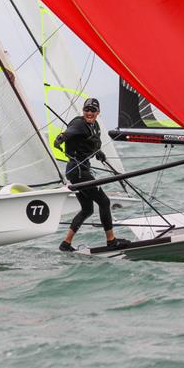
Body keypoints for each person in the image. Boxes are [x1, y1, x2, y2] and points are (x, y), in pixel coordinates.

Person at [54, 97, 129, 252]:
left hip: (79, 171)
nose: (89, 113)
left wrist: (98, 152)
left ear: (98, 112)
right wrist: (60, 138)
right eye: (87, 110)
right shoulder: (79, 123)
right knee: (104, 202)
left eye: (93, 110)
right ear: (83, 111)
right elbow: (69, 133)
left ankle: (65, 243)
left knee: (87, 209)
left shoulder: (94, 126)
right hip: (78, 171)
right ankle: (111, 241)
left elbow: (89, 142)